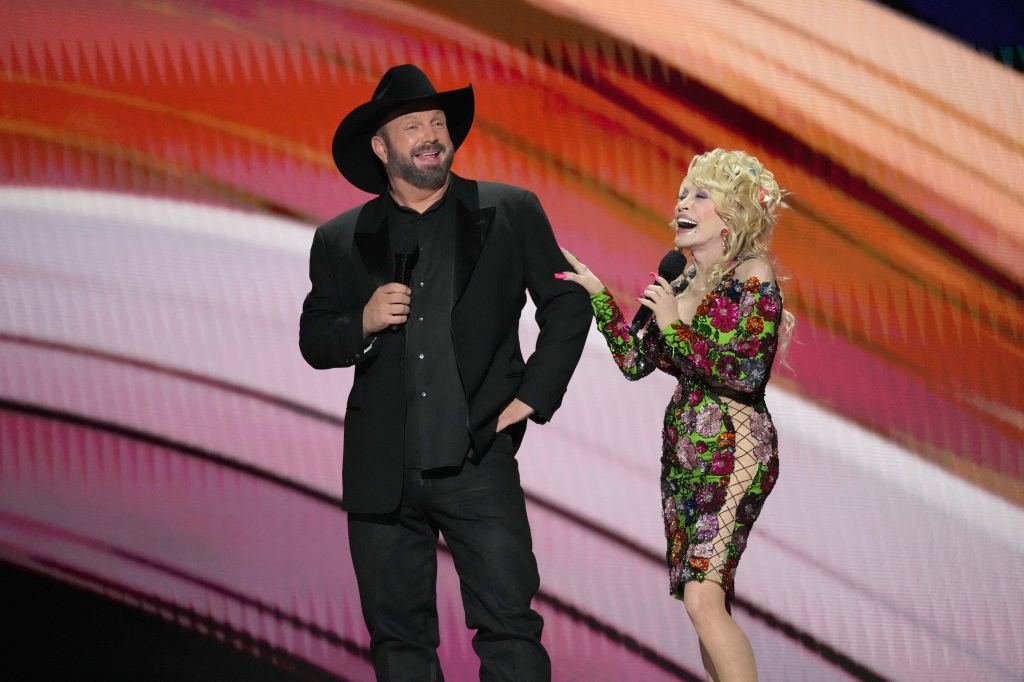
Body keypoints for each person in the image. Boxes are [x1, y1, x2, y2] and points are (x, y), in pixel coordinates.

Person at [299, 64, 591, 681]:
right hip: (384, 470)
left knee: (510, 627)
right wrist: (364, 321)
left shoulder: (509, 211)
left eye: (438, 124)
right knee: (399, 640)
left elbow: (567, 303)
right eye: (413, 126)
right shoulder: (341, 238)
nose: (431, 135)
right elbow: (315, 338)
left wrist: (533, 396)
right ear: (381, 147)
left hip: (476, 458)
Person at [559, 148, 793, 682]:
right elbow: (635, 363)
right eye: (683, 193)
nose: (682, 203)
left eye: (700, 195)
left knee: (703, 600)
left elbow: (743, 373)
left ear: (732, 215)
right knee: (703, 601)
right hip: (685, 457)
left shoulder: (752, 275)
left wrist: (673, 327)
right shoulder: (680, 282)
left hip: (734, 449)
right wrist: (600, 297)